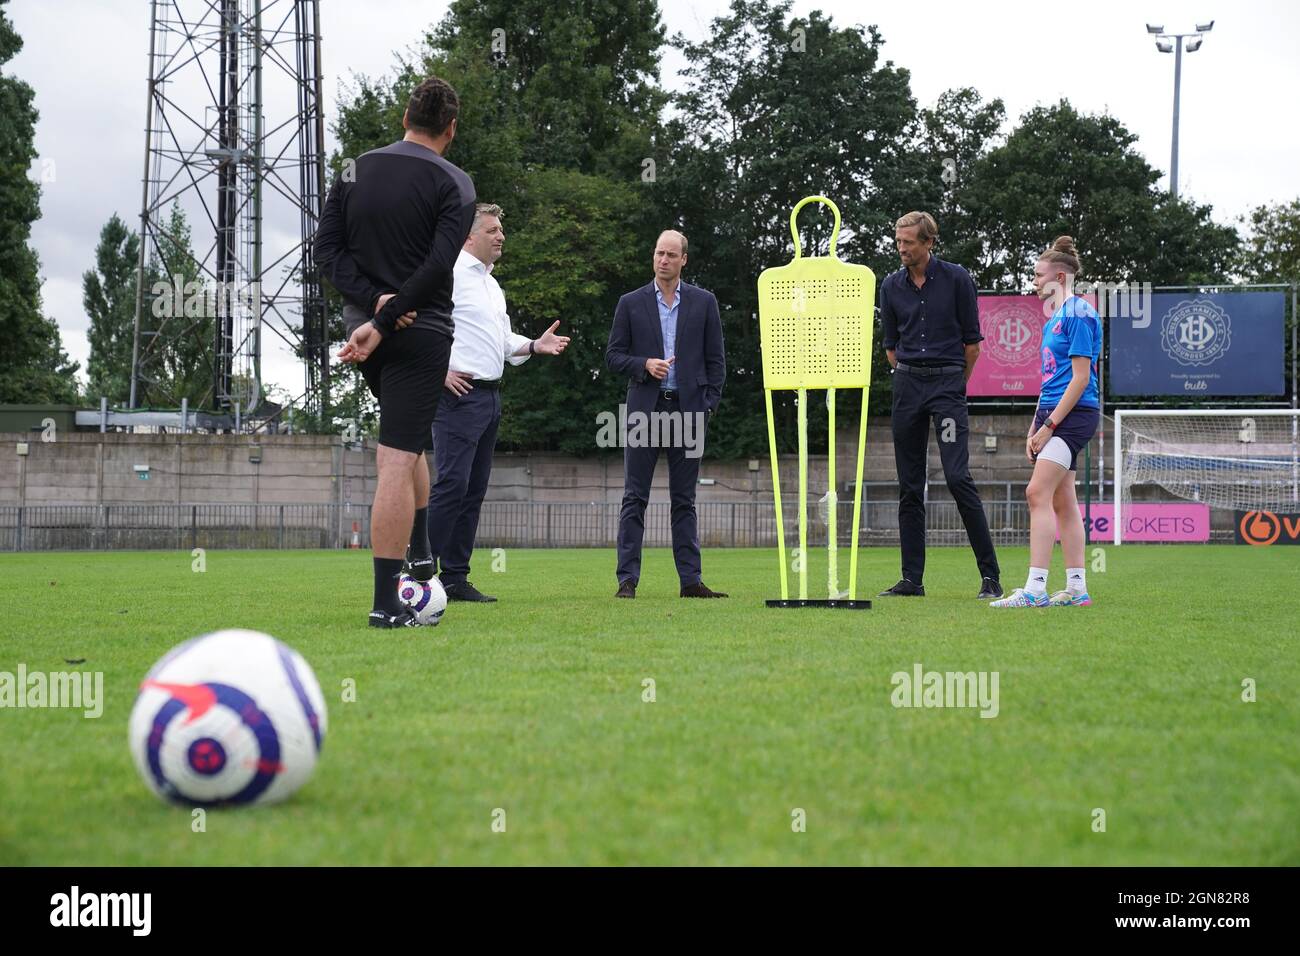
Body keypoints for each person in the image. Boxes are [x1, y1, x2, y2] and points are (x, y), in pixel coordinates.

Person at [315, 76, 476, 628]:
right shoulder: (455, 182)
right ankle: (388, 605)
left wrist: (372, 307)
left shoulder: (354, 167)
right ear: (450, 130)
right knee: (396, 459)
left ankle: (423, 552)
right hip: (416, 335)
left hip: (368, 333)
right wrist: (387, 318)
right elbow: (436, 268)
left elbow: (327, 251)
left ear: (403, 117)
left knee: (409, 441)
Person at [418, 203, 570, 602]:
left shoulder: (492, 285)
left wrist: (535, 345)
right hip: (457, 397)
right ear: (469, 236)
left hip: (490, 397)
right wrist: (439, 373)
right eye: (493, 230)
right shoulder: (446, 275)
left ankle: (454, 578)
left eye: (501, 229)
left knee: (473, 490)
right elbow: (416, 327)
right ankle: (418, 575)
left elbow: (503, 343)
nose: (501, 236)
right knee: (452, 485)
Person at [878, 211, 1002, 599]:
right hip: (908, 386)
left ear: (929, 242)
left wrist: (953, 385)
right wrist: (911, 377)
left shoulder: (957, 279)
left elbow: (973, 346)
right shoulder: (890, 285)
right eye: (898, 242)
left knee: (956, 477)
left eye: (909, 242)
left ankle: (991, 577)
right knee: (909, 486)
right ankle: (911, 580)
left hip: (948, 386)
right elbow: (891, 348)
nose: (901, 249)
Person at [605, 230, 727, 599]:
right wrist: (645, 364)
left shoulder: (705, 302)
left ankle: (690, 581)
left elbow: (716, 361)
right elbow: (613, 356)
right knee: (634, 498)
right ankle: (627, 581)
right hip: (645, 410)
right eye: (659, 253)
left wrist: (707, 408)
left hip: (689, 412)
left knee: (684, 500)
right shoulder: (630, 302)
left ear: (684, 259)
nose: (664, 260)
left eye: (672, 255)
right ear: (653, 256)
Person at [991, 236, 1100, 608]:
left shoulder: (1079, 313)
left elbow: (1080, 378)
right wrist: (1034, 424)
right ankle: (1076, 589)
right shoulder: (1055, 318)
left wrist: (1050, 425)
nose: (1034, 281)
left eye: (1038, 275)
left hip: (1074, 415)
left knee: (1036, 493)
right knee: (1062, 501)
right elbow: (1050, 379)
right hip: (1053, 416)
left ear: (1058, 276)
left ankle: (1035, 589)